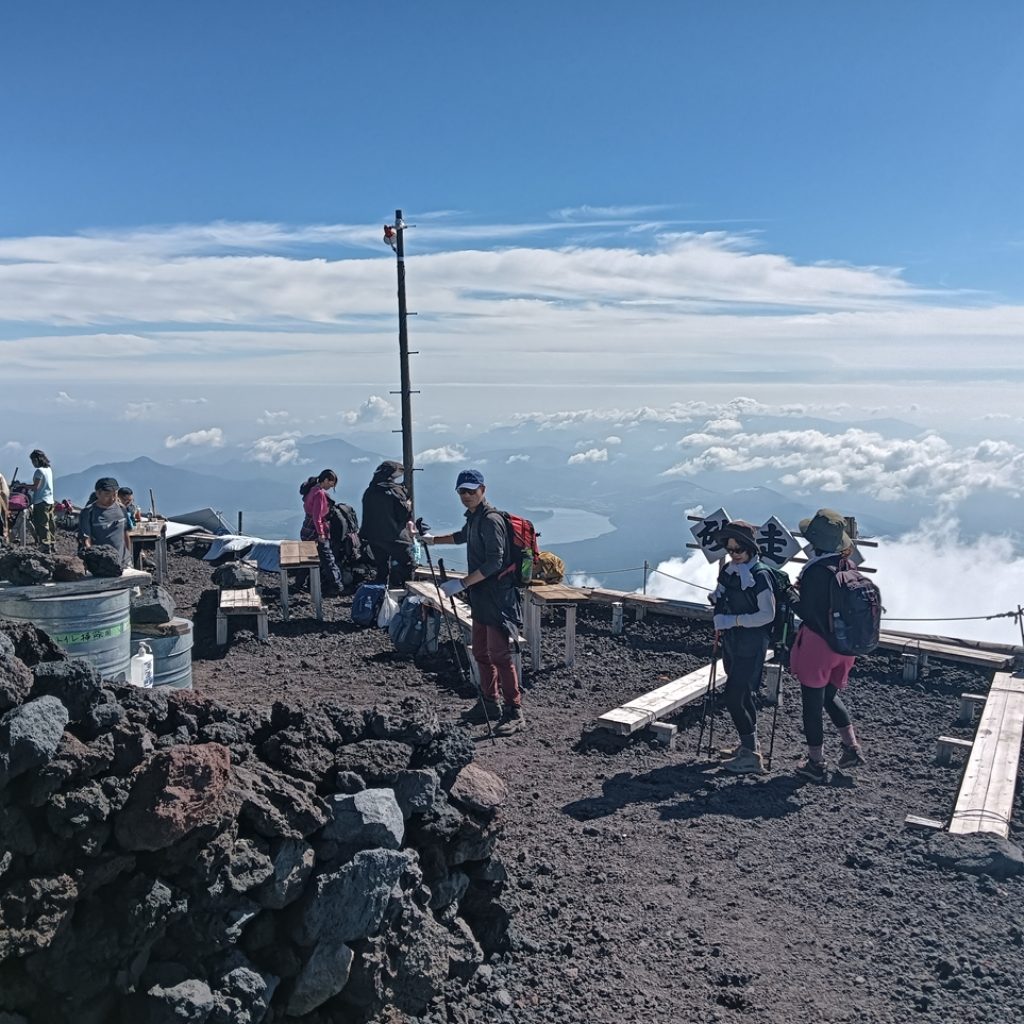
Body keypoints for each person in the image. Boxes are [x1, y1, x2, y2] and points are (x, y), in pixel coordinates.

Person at [423, 469, 525, 735]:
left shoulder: (491, 520)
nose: (467, 496)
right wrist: (433, 541)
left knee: (500, 655)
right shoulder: (475, 518)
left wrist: (462, 583)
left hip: (497, 599)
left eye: (471, 490)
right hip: (482, 596)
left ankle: (515, 711)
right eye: (462, 491)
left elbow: (495, 561)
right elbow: (461, 536)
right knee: (481, 652)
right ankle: (490, 704)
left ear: (483, 489)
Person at [789, 508, 866, 783]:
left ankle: (815, 763)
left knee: (811, 704)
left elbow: (808, 613)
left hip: (818, 646)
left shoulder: (815, 572)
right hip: (846, 647)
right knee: (829, 696)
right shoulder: (848, 567)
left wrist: (788, 594)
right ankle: (851, 747)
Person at [708, 520, 776, 774]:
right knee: (742, 694)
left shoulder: (760, 576)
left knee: (735, 695)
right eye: (730, 549)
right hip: (734, 641)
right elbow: (721, 592)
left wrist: (731, 620)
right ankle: (749, 747)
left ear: (750, 548)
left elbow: (767, 614)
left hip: (751, 642)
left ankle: (751, 756)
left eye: (739, 550)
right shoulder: (731, 571)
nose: (734, 554)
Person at [360, 461, 415, 587]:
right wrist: (408, 505)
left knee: (382, 569)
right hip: (396, 538)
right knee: (407, 565)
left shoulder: (370, 491)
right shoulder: (395, 492)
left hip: (374, 538)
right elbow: (403, 515)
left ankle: (380, 598)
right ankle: (404, 596)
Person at [299, 470, 344, 596]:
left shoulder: (311, 489)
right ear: (325, 480)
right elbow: (317, 516)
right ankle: (337, 585)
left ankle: (299, 583)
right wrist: (321, 534)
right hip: (316, 530)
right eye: (331, 483)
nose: (331, 487)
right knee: (328, 557)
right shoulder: (319, 494)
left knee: (308, 557)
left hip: (306, 528)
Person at [78, 477, 132, 568]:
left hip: (124, 562)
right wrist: (94, 561)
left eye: (115, 494)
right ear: (98, 493)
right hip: (102, 564)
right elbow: (86, 540)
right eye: (107, 494)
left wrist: (129, 556)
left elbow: (125, 533)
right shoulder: (88, 512)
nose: (112, 498)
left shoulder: (122, 509)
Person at [28, 449, 56, 554]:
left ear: (36, 460)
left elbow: (36, 487)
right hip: (50, 500)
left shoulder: (39, 471)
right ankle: (52, 543)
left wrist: (22, 486)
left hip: (40, 501)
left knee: (41, 523)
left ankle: (45, 545)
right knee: (50, 522)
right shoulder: (48, 469)